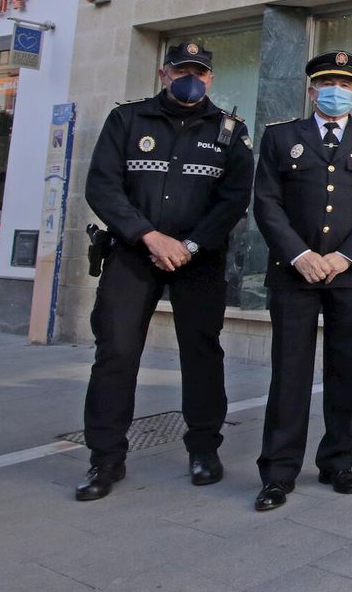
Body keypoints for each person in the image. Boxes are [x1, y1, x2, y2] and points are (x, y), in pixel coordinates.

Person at [76, 42, 253, 501]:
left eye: (199, 71)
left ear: (210, 78)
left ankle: (203, 450)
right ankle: (106, 458)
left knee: (201, 354)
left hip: (199, 259)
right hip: (135, 254)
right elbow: (103, 185)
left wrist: (190, 245)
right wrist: (149, 237)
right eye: (181, 70)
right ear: (163, 73)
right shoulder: (127, 120)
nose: (190, 77)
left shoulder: (229, 131)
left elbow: (234, 198)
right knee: (116, 353)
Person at [251, 51, 352, 512]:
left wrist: (345, 257)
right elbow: (267, 203)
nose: (336, 91)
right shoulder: (280, 137)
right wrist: (300, 255)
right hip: (294, 274)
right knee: (289, 373)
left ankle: (337, 461)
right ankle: (278, 471)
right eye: (326, 83)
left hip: (348, 276)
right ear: (312, 89)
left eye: (346, 85)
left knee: (343, 371)